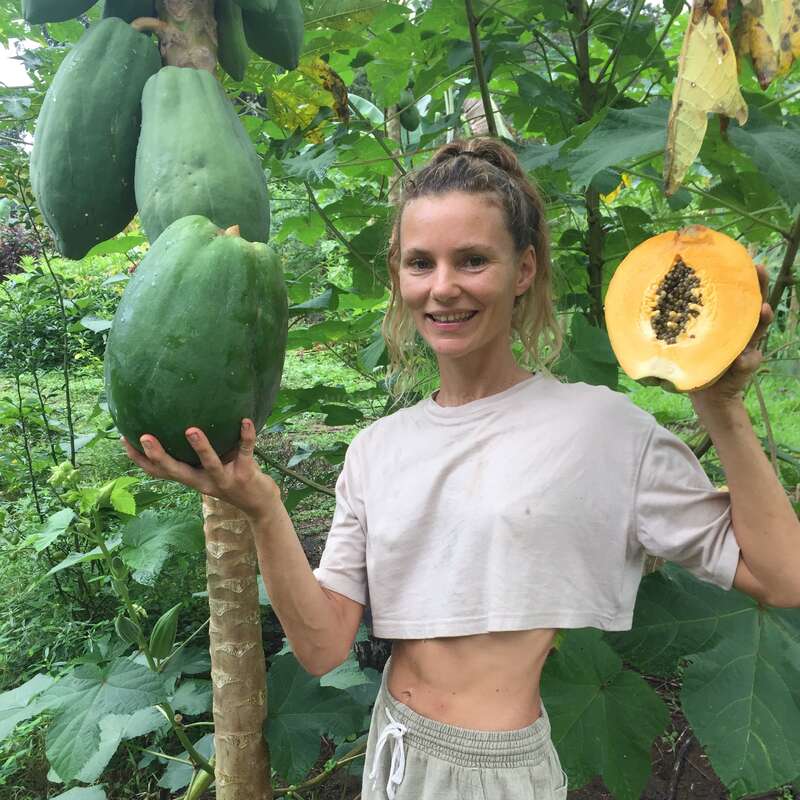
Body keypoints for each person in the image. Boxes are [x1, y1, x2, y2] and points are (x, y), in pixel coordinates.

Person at [122, 137, 800, 800]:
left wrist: (721, 409)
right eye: (421, 263)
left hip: (495, 775)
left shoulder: (602, 429)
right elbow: (323, 647)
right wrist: (262, 507)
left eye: (473, 260)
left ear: (524, 270)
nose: (443, 288)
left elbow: (782, 576)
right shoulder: (378, 448)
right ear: (399, 277)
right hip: (392, 750)